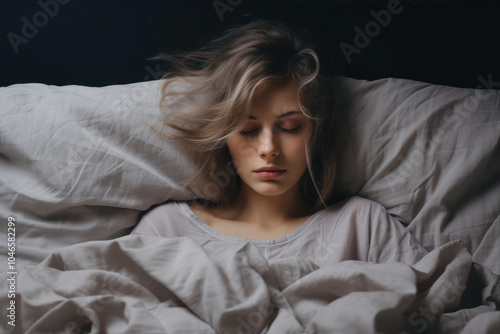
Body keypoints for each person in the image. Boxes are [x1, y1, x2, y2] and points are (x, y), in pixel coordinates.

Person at [132, 19, 427, 266]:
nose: (268, 148)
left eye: (289, 127)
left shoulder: (362, 226)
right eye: (248, 130)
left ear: (314, 131)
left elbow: (439, 307)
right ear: (224, 137)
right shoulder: (166, 230)